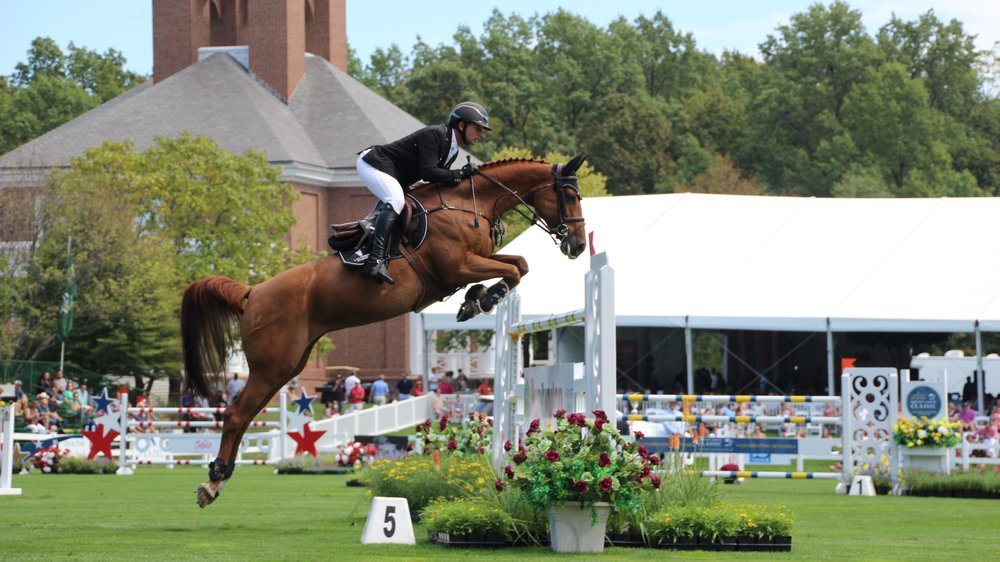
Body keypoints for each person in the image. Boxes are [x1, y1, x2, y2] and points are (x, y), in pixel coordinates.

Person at [355, 101, 490, 284]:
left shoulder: (453, 149)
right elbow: (429, 173)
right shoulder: (435, 134)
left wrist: (463, 178)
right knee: (396, 200)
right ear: (461, 125)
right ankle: (375, 260)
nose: (480, 135)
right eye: (478, 128)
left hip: (393, 174)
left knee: (406, 201)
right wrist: (460, 173)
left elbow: (439, 180)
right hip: (374, 163)